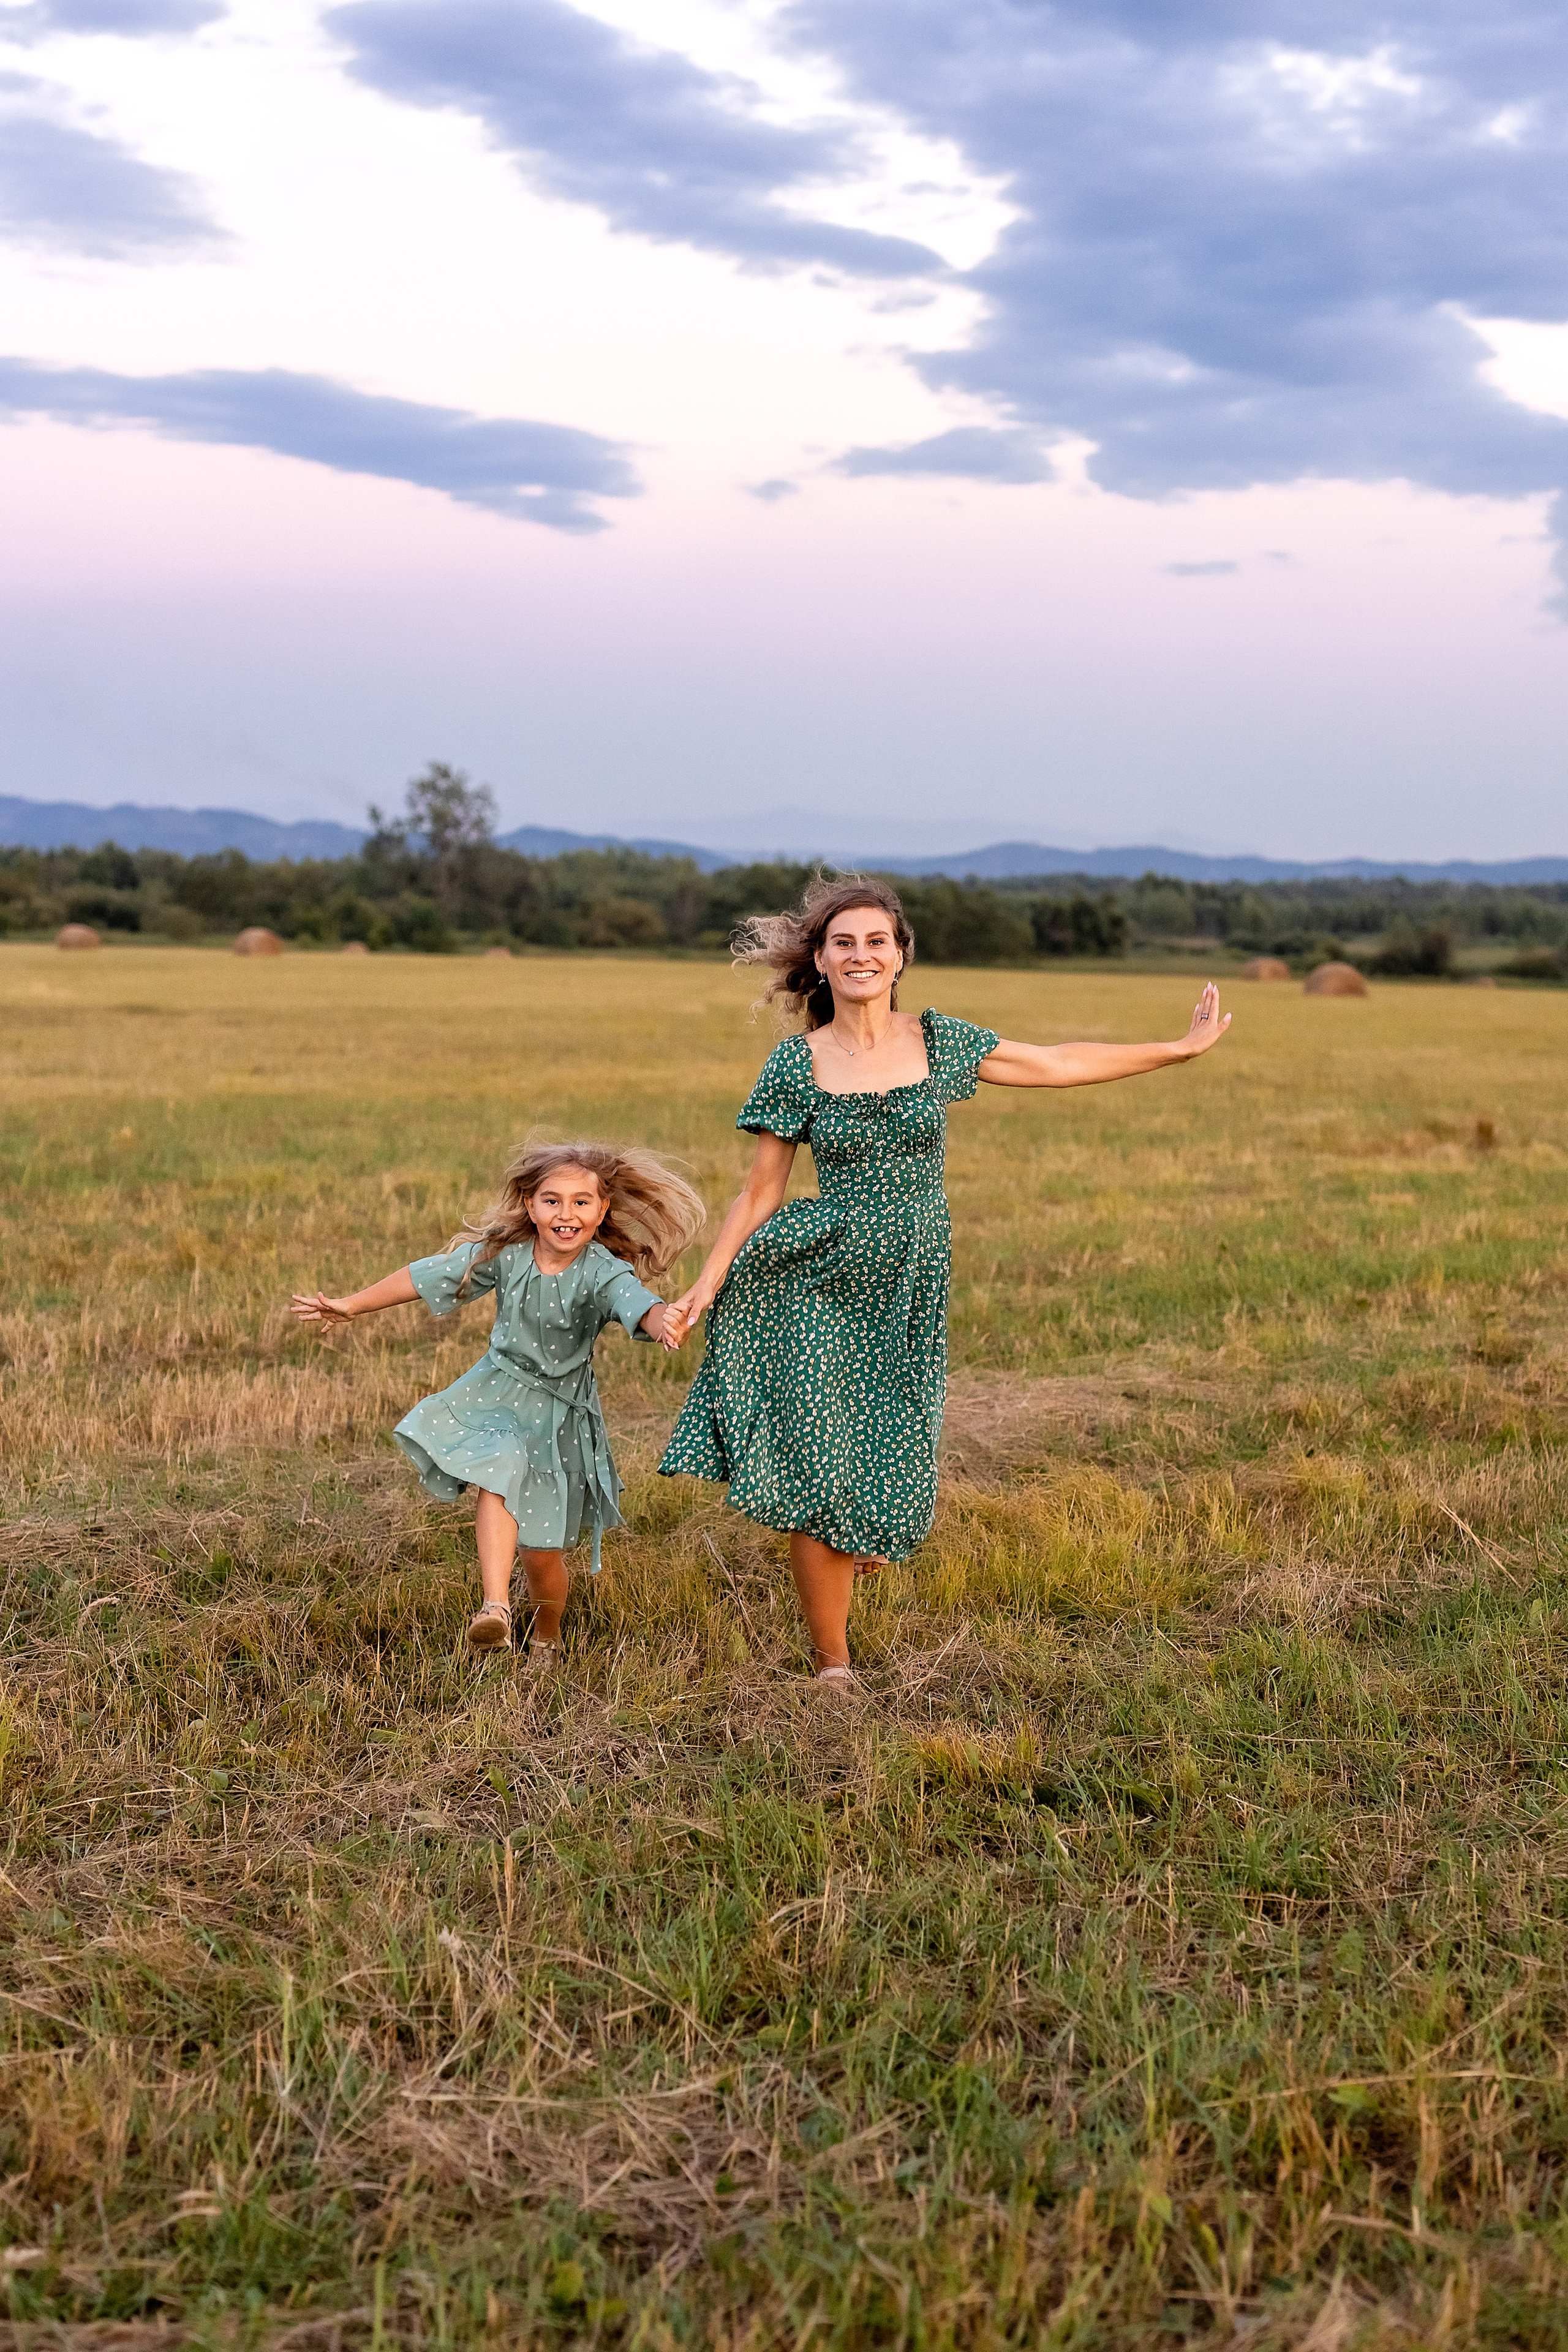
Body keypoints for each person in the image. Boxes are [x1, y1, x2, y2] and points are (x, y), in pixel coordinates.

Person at [658, 875, 1231, 1691]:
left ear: (900, 956)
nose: (861, 955)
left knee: (890, 1450)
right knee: (824, 1463)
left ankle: (856, 1546)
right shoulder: (797, 1064)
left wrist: (1177, 1049)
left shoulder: (939, 1041)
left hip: (910, 1279)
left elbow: (1057, 1062)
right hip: (815, 1274)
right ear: (820, 961)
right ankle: (834, 1665)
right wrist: (707, 1285)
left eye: (876, 942)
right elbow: (761, 1190)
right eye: (843, 943)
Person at [291, 1143, 703, 1659]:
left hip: (559, 1418)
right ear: (530, 1206)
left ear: (602, 1212)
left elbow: (636, 1304)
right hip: (498, 1393)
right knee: (497, 1469)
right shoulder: (508, 1253)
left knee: (542, 1556)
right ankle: (496, 1608)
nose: (566, 1214)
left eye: (581, 1202)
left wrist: (661, 1320)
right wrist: (351, 1305)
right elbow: (428, 1275)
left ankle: (547, 1636)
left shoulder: (602, 1271)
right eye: (551, 1201)